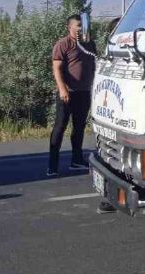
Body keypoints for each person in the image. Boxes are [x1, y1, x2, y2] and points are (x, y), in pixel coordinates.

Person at [49, 14, 96, 176]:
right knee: (60, 127)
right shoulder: (63, 44)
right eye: (78, 26)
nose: (81, 28)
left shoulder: (89, 44)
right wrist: (62, 89)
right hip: (67, 93)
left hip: (84, 92)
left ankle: (76, 160)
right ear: (69, 27)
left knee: (79, 127)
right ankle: (52, 165)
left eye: (82, 25)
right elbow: (57, 68)